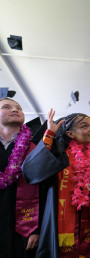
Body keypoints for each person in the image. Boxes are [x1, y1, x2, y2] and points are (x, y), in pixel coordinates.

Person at [22, 110, 90, 258]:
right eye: (84, 126)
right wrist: (50, 133)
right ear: (70, 134)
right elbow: (31, 171)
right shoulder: (58, 157)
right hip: (58, 226)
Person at [0, 98, 40, 257]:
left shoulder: (34, 148)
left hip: (22, 225)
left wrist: (37, 229)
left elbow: (43, 188)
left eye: (19, 107)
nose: (15, 109)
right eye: (6, 107)